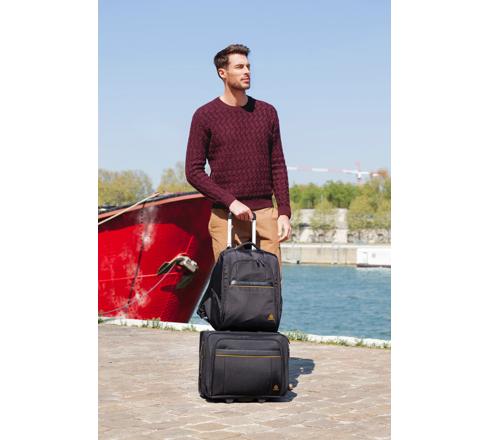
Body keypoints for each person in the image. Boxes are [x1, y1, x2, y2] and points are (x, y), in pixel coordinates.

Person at [185, 43, 291, 269]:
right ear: (222, 73)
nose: (247, 71)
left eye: (248, 66)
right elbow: (193, 171)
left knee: (270, 286)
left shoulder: (267, 112)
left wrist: (284, 212)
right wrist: (230, 202)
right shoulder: (204, 116)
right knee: (229, 287)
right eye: (239, 67)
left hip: (265, 216)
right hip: (226, 217)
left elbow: (278, 165)